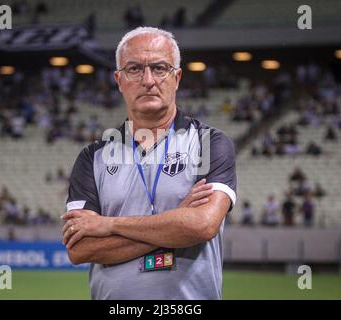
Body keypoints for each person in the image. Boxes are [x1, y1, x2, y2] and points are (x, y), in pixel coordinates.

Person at [61, 27, 237, 300]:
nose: (148, 80)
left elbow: (203, 225)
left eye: (159, 68)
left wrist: (109, 225)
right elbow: (81, 249)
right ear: (118, 80)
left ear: (176, 77)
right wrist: (175, 224)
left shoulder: (208, 143)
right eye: (134, 69)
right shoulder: (92, 157)